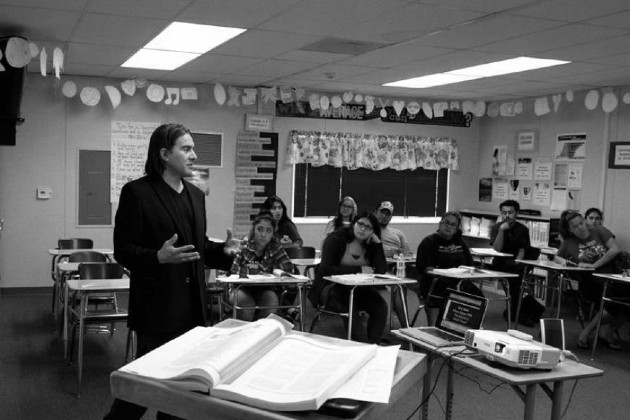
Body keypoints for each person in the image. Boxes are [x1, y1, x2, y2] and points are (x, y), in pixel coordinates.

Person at [104, 123, 240, 420]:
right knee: (142, 387)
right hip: (157, 308)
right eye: (186, 149)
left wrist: (223, 252)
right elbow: (123, 250)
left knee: (183, 392)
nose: (194, 155)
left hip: (193, 309)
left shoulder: (195, 194)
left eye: (193, 149)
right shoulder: (137, 193)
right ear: (165, 154)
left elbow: (198, 246)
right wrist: (157, 257)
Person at [310, 212, 388, 343]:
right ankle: (363, 345)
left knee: (380, 306)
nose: (363, 229)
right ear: (354, 223)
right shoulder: (336, 239)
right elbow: (326, 269)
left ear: (373, 231)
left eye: (368, 227)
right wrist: (358, 270)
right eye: (360, 224)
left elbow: (380, 270)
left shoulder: (370, 244)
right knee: (350, 307)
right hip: (330, 289)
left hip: (358, 289)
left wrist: (378, 244)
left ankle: (374, 344)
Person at [555, 210, 622, 349]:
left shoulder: (599, 231)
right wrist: (566, 262)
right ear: (569, 229)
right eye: (575, 226)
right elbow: (557, 257)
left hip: (611, 277)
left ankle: (606, 332)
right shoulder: (569, 242)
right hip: (590, 282)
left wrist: (595, 264)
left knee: (622, 300)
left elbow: (615, 250)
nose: (581, 227)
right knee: (615, 303)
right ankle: (588, 332)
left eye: (581, 223)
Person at [229, 213, 294, 321]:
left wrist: (272, 271)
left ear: (273, 233)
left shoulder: (275, 246)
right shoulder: (245, 245)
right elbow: (234, 270)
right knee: (246, 305)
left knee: (271, 302)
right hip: (240, 288)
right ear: (253, 230)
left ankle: (260, 333)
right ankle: (245, 334)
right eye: (260, 229)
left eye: (268, 231)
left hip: (264, 288)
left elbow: (288, 269)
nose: (263, 234)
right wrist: (257, 270)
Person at [416, 212, 476, 326]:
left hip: (459, 282)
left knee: (478, 297)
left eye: (453, 225)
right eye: (446, 223)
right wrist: (445, 273)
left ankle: (465, 329)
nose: (449, 227)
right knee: (444, 296)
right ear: (440, 224)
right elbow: (426, 268)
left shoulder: (460, 243)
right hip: (436, 283)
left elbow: (470, 265)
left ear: (456, 228)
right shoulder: (429, 242)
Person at [489, 199, 533, 325]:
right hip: (500, 263)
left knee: (516, 286)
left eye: (510, 212)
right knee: (513, 288)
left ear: (516, 213)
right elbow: (497, 249)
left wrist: (517, 263)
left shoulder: (522, 229)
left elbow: (522, 250)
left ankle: (515, 313)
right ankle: (514, 313)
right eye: (504, 213)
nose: (507, 215)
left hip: (515, 264)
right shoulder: (497, 227)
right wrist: (502, 230)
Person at [373, 200, 413, 326]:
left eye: (388, 214)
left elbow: (407, 254)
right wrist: (388, 252)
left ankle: (405, 327)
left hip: (397, 267)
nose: (384, 216)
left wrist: (397, 254)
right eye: (382, 212)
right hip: (377, 269)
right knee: (398, 287)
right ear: (375, 212)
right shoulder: (369, 230)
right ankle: (405, 326)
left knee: (400, 285)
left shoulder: (398, 233)